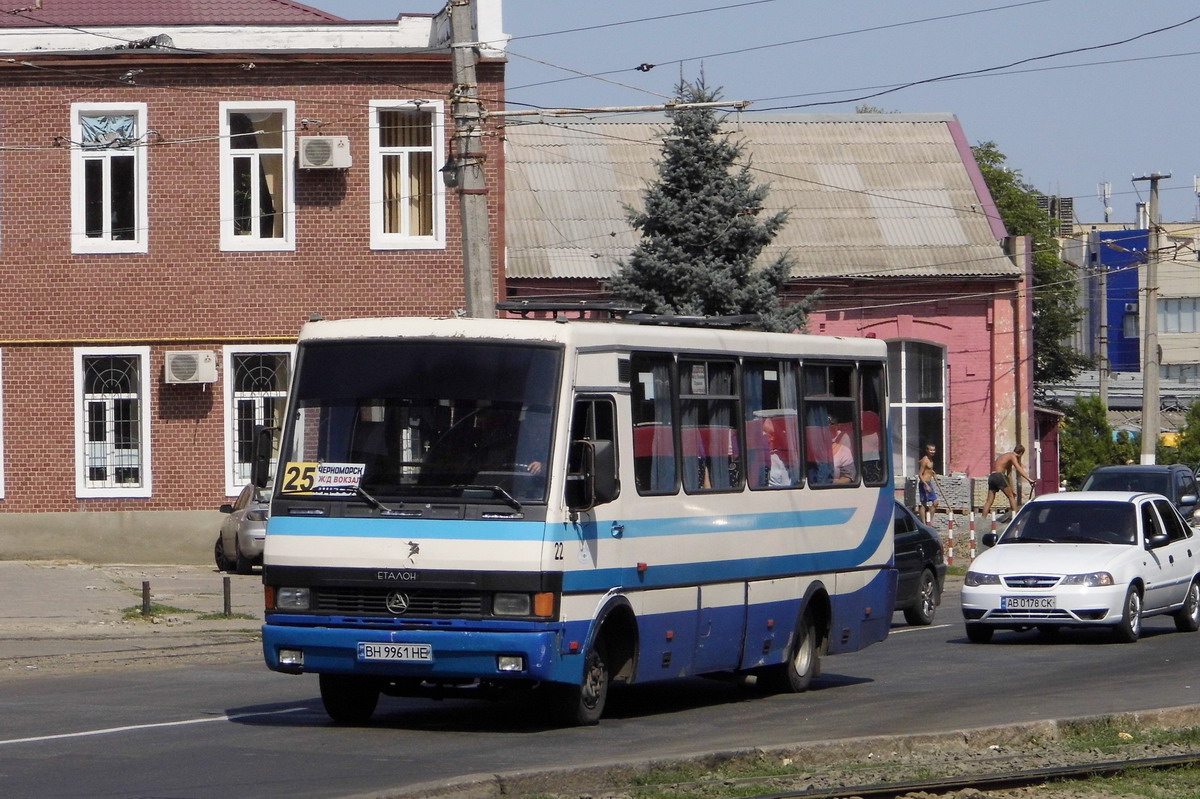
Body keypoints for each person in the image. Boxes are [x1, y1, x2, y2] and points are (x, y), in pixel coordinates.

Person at [980, 444, 1034, 518]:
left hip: (992, 476)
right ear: (1020, 453)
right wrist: (1029, 479)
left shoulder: (1006, 457)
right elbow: (1018, 468)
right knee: (1011, 497)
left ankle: (983, 519)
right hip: (999, 476)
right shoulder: (1012, 456)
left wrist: (1012, 489)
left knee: (989, 501)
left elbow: (1009, 475)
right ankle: (1016, 518)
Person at [918, 443, 939, 523]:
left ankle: (929, 521)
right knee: (924, 503)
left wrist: (932, 472)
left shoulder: (930, 459)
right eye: (931, 450)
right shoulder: (925, 460)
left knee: (935, 503)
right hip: (924, 483)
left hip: (929, 482)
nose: (932, 451)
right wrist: (926, 485)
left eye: (933, 450)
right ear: (927, 450)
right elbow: (920, 474)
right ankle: (924, 523)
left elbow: (927, 469)